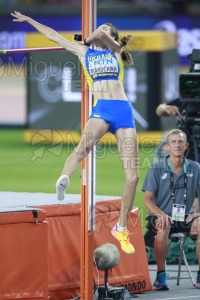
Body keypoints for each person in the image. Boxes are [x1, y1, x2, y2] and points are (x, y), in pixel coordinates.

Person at [11, 11, 139, 254]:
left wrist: (88, 38)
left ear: (113, 36)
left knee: (132, 177)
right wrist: (30, 21)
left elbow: (101, 34)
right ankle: (64, 180)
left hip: (122, 111)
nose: (100, 29)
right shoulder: (84, 53)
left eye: (105, 28)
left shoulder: (115, 51)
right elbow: (53, 36)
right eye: (99, 28)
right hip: (102, 109)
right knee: (81, 150)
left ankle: (121, 228)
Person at [142, 129, 200, 290]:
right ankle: (161, 275)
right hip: (161, 215)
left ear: (186, 145)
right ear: (167, 146)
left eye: (181, 142)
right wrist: (160, 214)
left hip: (186, 217)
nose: (177, 145)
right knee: (163, 225)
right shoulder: (156, 168)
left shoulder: (196, 168)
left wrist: (196, 213)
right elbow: (147, 199)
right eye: (173, 142)